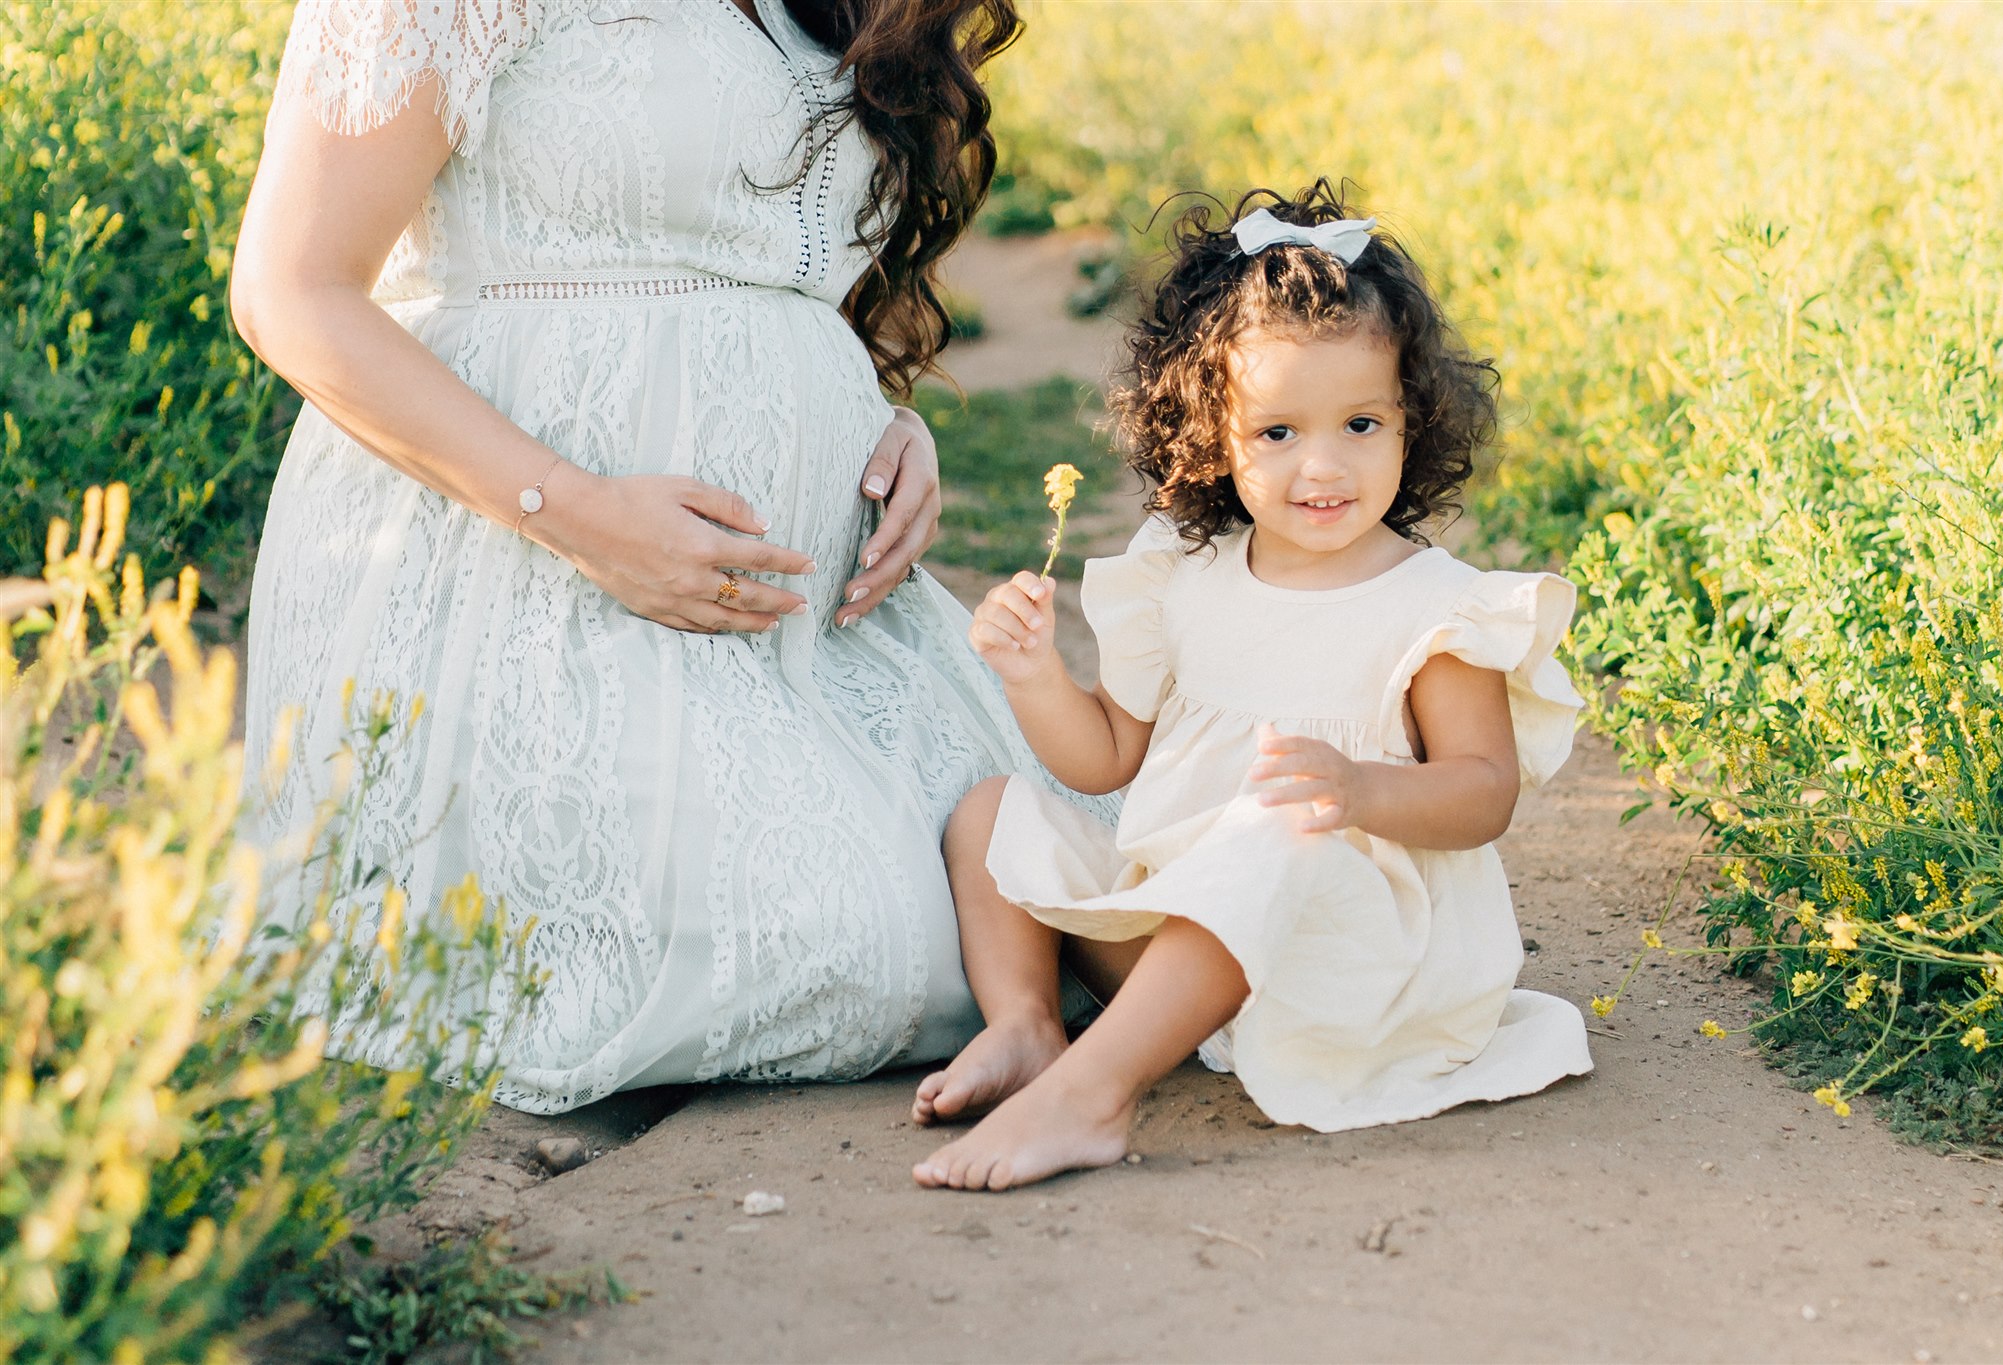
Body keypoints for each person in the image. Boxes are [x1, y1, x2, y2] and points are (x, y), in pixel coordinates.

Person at [228, 0, 1069, 1114]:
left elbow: (776, 270)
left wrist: (878, 423)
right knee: (864, 947)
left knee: (1047, 872)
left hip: (809, 636)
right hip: (520, 584)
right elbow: (290, 292)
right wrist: (574, 514)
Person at [911, 183, 1594, 1191]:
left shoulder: (1435, 609)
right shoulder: (1181, 579)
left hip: (1347, 970)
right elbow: (1104, 756)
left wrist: (1361, 793)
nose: (1323, 466)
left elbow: (1483, 789)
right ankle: (1026, 1027)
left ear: (1412, 420)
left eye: (1360, 423)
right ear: (1207, 433)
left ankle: (1092, 1095)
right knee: (989, 812)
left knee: (1278, 823)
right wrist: (1034, 677)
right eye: (1277, 433)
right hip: (1176, 956)